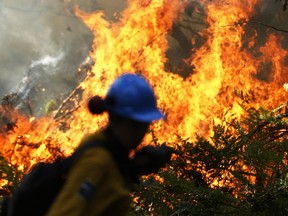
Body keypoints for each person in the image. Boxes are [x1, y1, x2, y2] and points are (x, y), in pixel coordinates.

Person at [45, 72, 173, 216]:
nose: (144, 131)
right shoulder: (96, 161)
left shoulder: (102, 147)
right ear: (125, 120)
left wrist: (132, 169)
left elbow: (101, 196)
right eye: (141, 124)